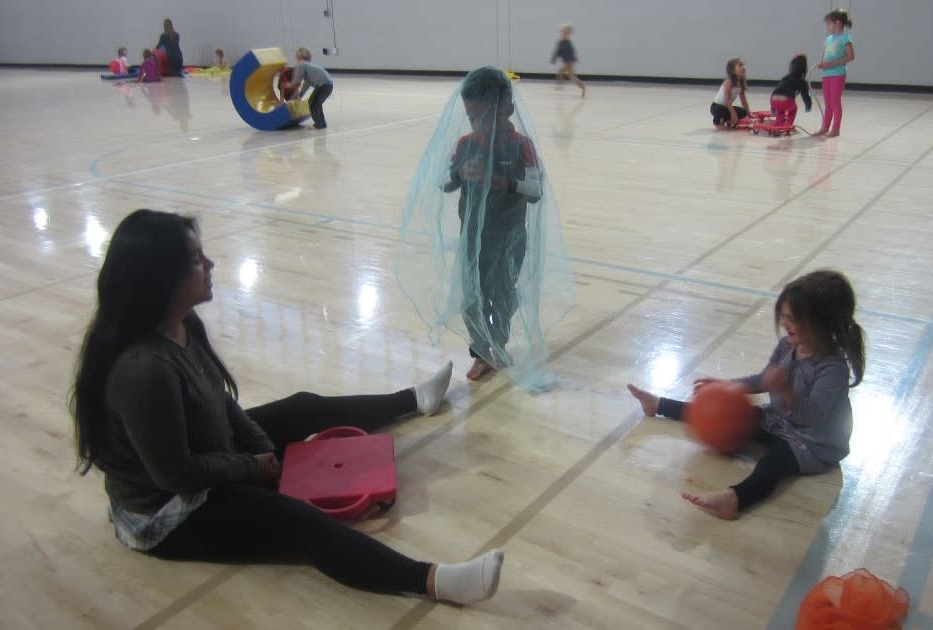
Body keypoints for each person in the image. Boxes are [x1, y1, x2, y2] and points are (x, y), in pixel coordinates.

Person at [69, 209, 502, 604]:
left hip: (206, 451)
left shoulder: (182, 324)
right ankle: (436, 581)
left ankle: (412, 400)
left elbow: (220, 401)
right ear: (161, 278)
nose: (211, 265)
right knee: (296, 521)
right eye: (197, 259)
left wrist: (265, 451)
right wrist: (255, 469)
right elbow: (176, 474)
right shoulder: (143, 370)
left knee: (302, 408)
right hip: (169, 509)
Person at [627, 270, 865, 520]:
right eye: (783, 316)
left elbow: (813, 416)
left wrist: (785, 391)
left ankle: (735, 498)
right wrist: (730, 386)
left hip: (814, 441)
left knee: (775, 461)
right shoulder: (787, 346)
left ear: (823, 325)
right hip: (779, 420)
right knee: (724, 415)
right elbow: (763, 380)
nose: (785, 324)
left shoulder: (833, 369)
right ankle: (658, 405)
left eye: (793, 319)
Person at [396, 67, 575, 391]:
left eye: (484, 116)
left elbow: (535, 190)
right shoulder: (466, 144)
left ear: (507, 109)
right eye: (471, 116)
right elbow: (444, 182)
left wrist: (500, 180)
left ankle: (499, 342)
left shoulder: (521, 146)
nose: (477, 124)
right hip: (473, 240)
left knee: (502, 295)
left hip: (509, 239)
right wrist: (460, 172)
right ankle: (481, 351)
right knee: (470, 297)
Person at [815, 9, 855, 137]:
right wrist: (822, 64)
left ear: (837, 22)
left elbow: (850, 56)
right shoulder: (828, 39)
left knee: (835, 101)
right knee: (827, 103)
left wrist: (832, 64)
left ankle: (835, 128)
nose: (828, 27)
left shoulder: (845, 38)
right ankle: (825, 127)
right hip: (826, 74)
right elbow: (825, 55)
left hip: (837, 74)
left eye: (829, 24)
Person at [282, 47, 335, 129]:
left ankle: (318, 124)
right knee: (316, 103)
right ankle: (322, 123)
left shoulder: (301, 64)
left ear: (297, 57)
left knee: (312, 103)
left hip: (323, 85)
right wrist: (300, 96)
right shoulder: (309, 66)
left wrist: (287, 85)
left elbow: (297, 80)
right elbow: (306, 84)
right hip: (328, 85)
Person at [770, 54, 812, 129]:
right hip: (786, 100)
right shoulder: (802, 81)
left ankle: (778, 124)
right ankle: (788, 126)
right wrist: (808, 105)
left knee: (780, 110)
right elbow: (805, 96)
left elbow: (777, 90)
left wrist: (772, 108)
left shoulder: (786, 77)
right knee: (793, 109)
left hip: (773, 99)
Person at [711, 58, 750, 129]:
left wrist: (749, 115)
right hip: (716, 107)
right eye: (740, 66)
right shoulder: (729, 81)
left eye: (744, 65)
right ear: (732, 70)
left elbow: (744, 101)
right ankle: (717, 122)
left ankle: (726, 120)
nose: (743, 67)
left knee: (743, 112)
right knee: (720, 109)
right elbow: (727, 99)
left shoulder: (741, 83)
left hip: (727, 107)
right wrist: (733, 113)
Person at [551, 23, 585, 98]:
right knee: (561, 72)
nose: (562, 33)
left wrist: (554, 59)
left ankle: (582, 87)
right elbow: (560, 52)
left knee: (571, 76)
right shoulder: (565, 42)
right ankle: (560, 85)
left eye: (564, 32)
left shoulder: (565, 42)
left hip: (569, 62)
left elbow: (559, 52)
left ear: (568, 33)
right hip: (568, 61)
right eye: (562, 32)